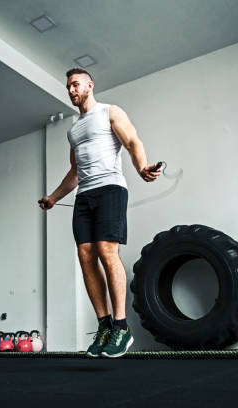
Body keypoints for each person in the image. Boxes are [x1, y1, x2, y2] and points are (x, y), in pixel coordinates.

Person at [39, 68, 161, 358]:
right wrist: (54, 198)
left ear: (90, 85)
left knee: (108, 251)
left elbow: (132, 141)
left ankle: (121, 326)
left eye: (75, 84)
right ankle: (104, 324)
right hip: (84, 197)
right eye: (68, 86)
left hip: (110, 189)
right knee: (85, 256)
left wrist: (142, 167)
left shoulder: (109, 111)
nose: (71, 90)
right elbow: (75, 172)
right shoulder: (73, 130)